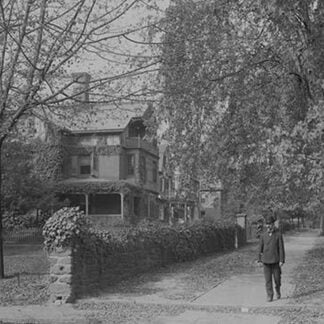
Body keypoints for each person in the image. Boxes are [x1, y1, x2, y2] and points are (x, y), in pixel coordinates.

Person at [258, 215, 285, 302]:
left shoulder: (278, 235)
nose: (268, 226)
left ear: (273, 224)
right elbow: (260, 248)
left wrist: (281, 260)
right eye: (267, 224)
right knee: (268, 280)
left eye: (270, 224)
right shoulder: (263, 235)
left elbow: (281, 248)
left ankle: (278, 290)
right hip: (266, 261)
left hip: (276, 261)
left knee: (277, 279)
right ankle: (270, 295)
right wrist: (259, 259)